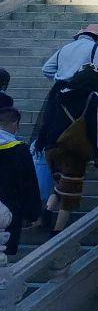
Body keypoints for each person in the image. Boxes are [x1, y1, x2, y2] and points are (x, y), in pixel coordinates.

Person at [34, 68, 98, 230]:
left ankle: (48, 211)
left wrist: (42, 142)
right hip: (73, 149)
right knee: (71, 193)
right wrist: (97, 151)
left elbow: (48, 118)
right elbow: (94, 126)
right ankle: (58, 231)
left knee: (60, 182)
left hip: (52, 146)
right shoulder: (92, 96)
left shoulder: (60, 92)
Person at [0, 96, 40, 261]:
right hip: (10, 209)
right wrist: (32, 213)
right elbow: (28, 183)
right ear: (14, 124)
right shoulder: (19, 150)